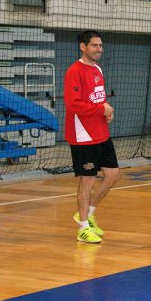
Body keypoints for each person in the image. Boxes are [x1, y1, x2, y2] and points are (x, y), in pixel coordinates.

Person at [64, 30, 120, 244]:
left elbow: (99, 98)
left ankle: (86, 213)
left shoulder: (97, 69)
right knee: (87, 180)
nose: (99, 49)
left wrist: (107, 112)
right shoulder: (74, 71)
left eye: (100, 45)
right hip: (83, 135)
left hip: (101, 132)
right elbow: (74, 104)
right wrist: (100, 110)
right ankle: (83, 228)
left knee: (113, 175)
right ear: (83, 47)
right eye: (95, 45)